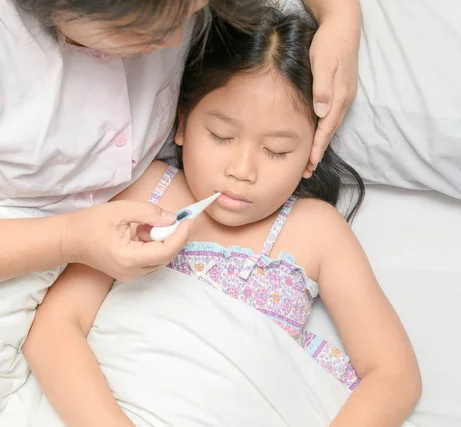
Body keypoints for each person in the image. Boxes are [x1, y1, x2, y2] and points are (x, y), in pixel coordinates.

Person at [23, 7, 422, 427]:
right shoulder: (143, 193)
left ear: (311, 153)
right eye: (221, 136)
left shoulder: (317, 231)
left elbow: (394, 376)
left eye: (277, 151)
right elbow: (54, 330)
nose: (243, 170)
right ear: (180, 124)